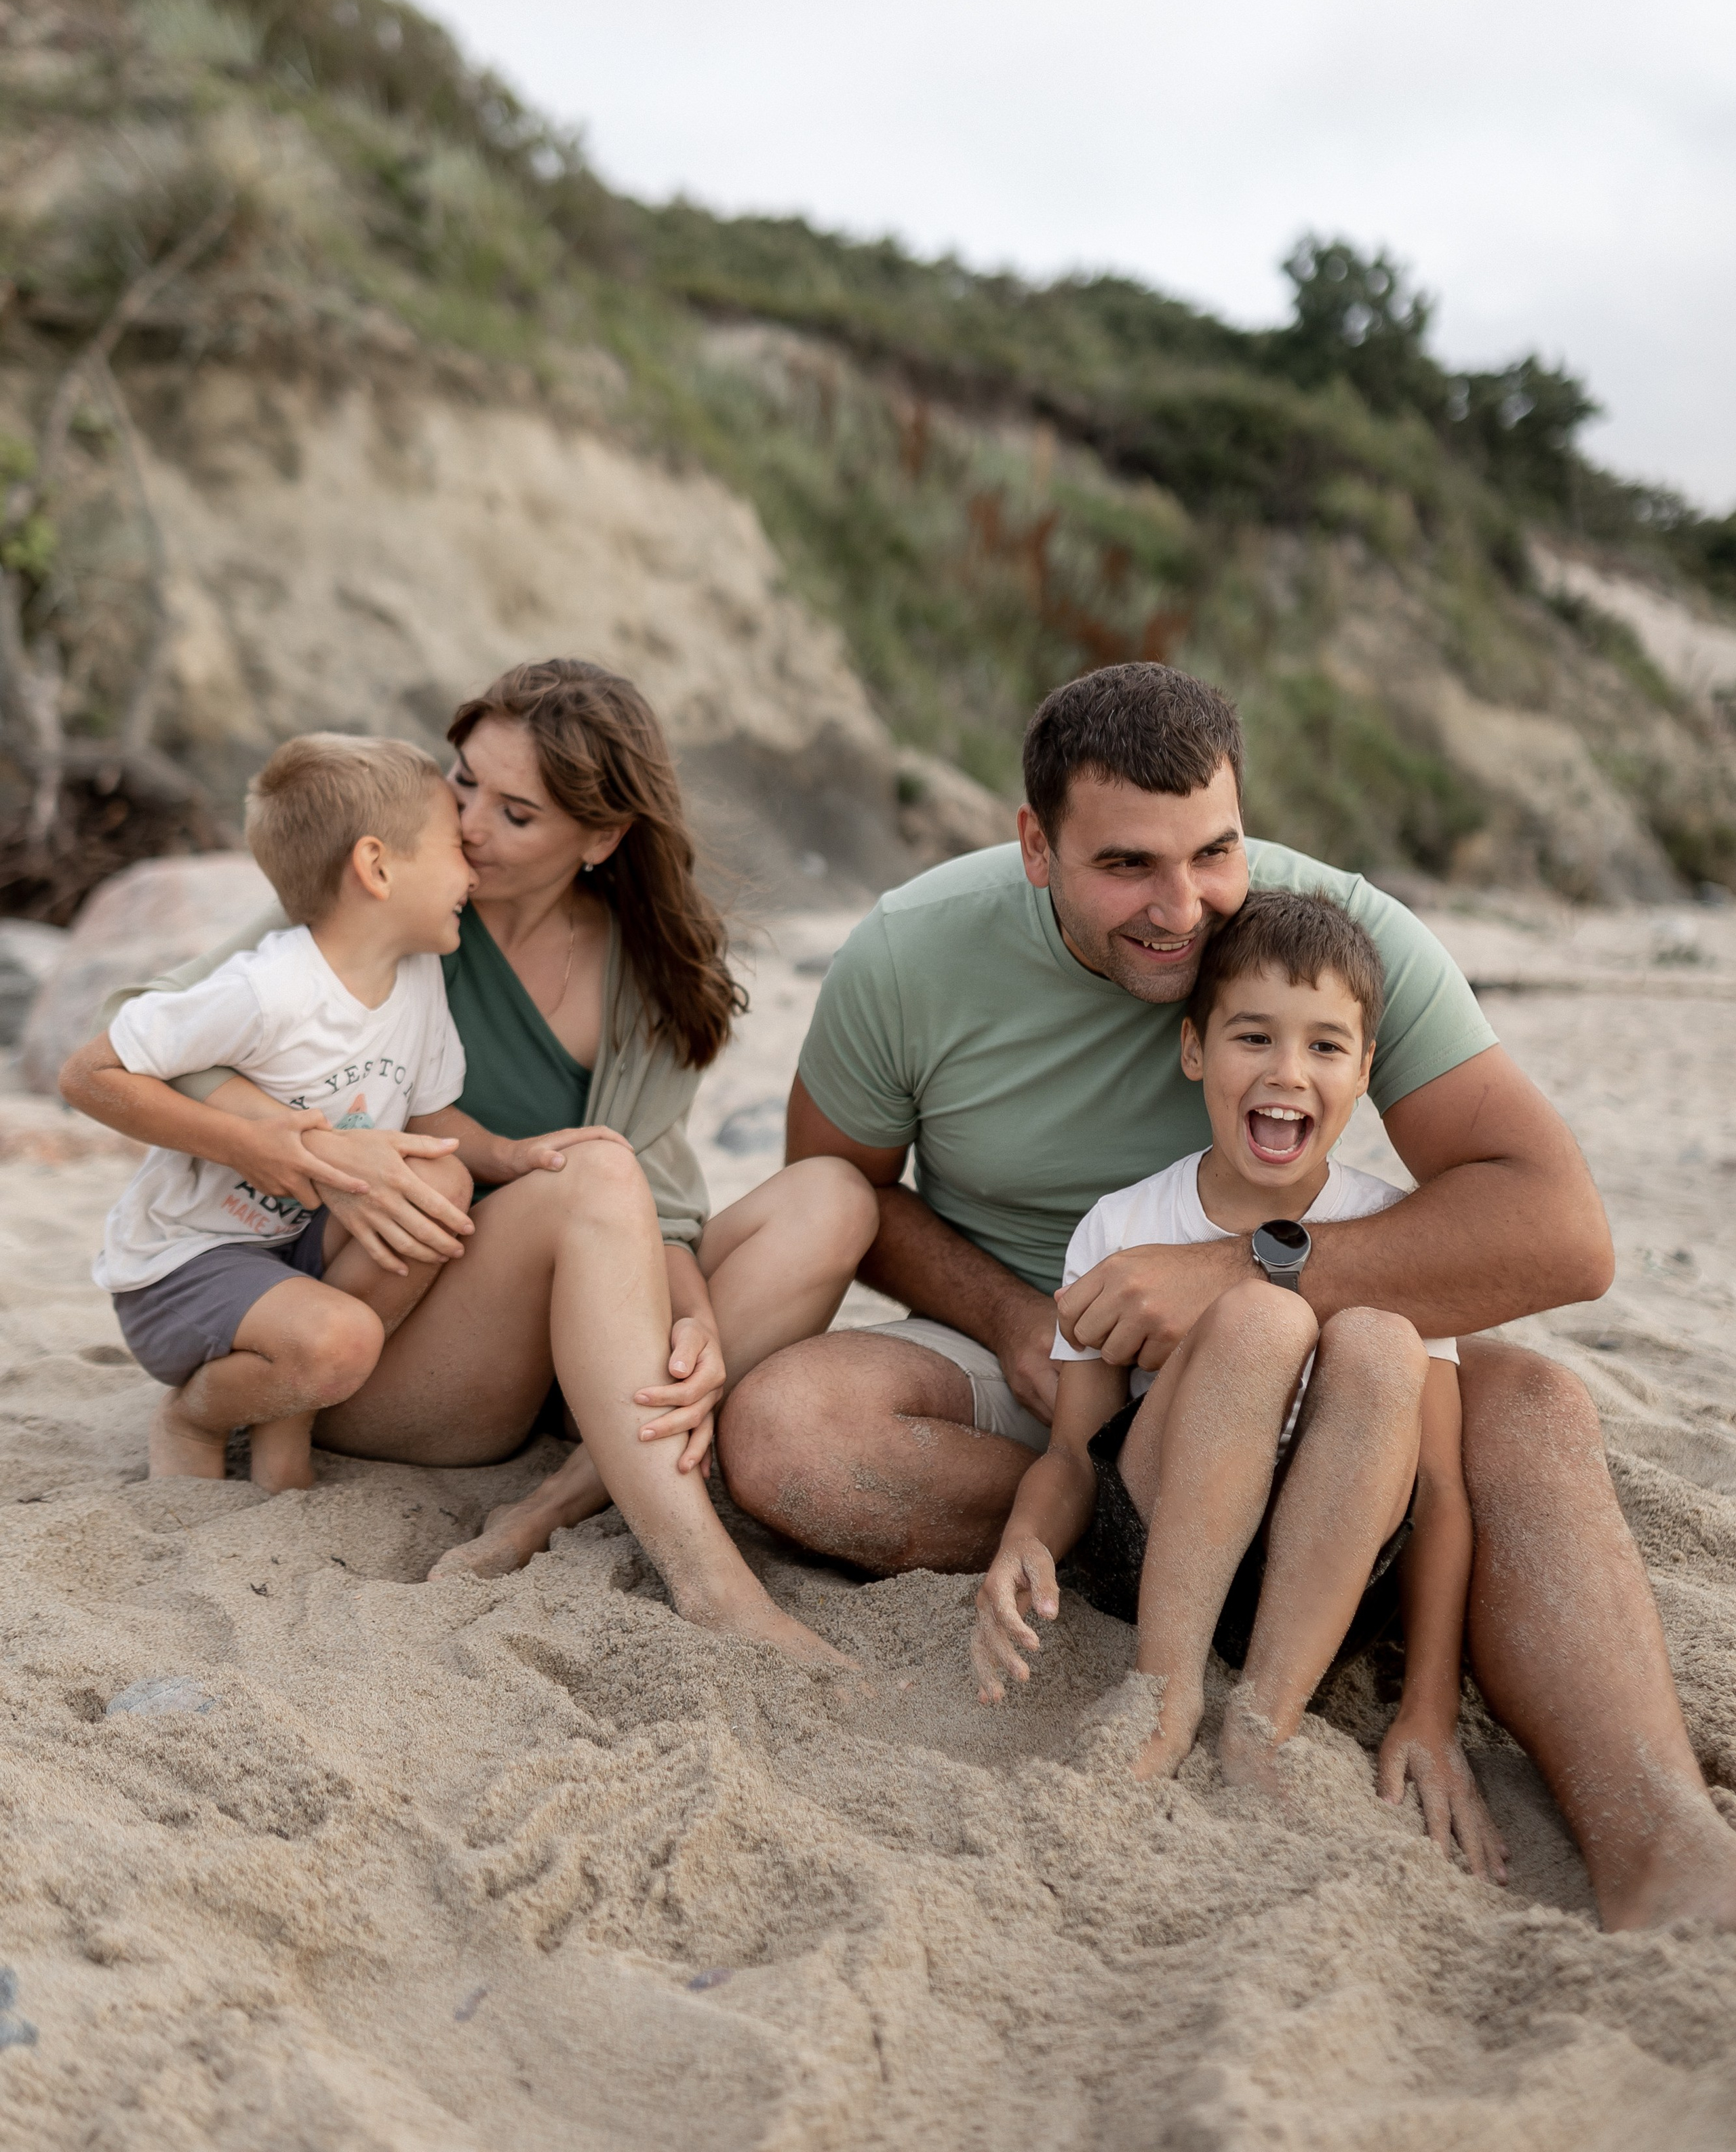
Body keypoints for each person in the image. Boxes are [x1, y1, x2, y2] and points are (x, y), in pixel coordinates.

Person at [718, 661, 1736, 1928]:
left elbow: (1563, 1232)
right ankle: (1150, 1564)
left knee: (1527, 1403)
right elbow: (839, 1188)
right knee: (785, 1431)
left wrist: (1247, 1266)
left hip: (1328, 1390)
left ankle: (1660, 1841)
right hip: (1057, 1369)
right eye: (1127, 867)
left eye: (1215, 851)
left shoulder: (1333, 943)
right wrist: (1013, 1323)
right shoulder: (911, 951)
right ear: (1036, 844)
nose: (1184, 907)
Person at [68, 659, 877, 1650]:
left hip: (579, 1338)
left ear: (604, 838)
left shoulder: (650, 976)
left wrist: (701, 1325)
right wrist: (321, 1149)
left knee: (830, 1198)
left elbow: (660, 1215)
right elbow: (134, 1032)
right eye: (462, 782)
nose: (468, 824)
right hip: (385, 1340)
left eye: (517, 813)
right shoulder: (383, 895)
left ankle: (560, 1500)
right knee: (583, 1166)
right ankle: (710, 1581)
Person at [972, 888, 1507, 1881]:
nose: (1286, 1074)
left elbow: (1435, 1494)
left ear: (1366, 1072)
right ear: (1195, 1051)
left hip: (1327, 1577)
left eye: (1324, 1048)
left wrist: (1428, 1706)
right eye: (1253, 1037)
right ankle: (1164, 1696)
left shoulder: (1396, 1235)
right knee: (1263, 1316)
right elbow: (1072, 1456)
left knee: (1385, 1341)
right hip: (1163, 1554)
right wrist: (1020, 1541)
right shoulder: (1125, 1227)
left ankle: (1265, 1722)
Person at [68, 735, 475, 1493]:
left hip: (297, 1248)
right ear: (377, 866)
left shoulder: (419, 980)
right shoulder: (268, 989)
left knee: (441, 1185)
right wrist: (248, 1140)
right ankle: (196, 1416)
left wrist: (524, 1159)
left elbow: (432, 1125)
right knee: (344, 1341)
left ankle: (290, 1407)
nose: (473, 868)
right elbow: (87, 1075)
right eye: (456, 846)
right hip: (184, 1267)